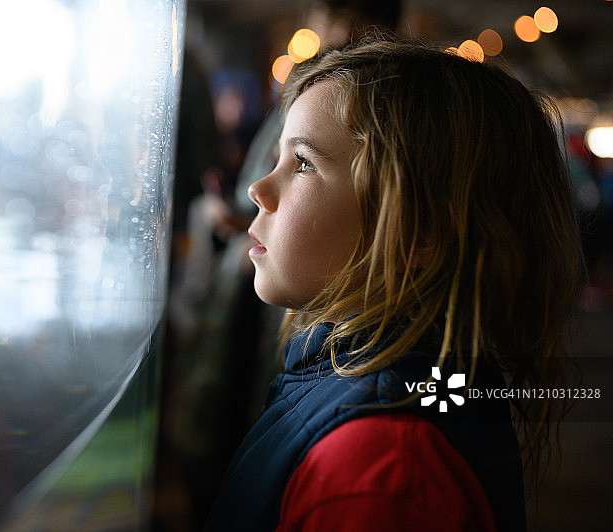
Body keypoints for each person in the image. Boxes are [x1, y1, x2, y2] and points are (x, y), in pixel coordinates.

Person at [206, 38, 583, 531]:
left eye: (302, 163)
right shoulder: (377, 393)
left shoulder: (381, 468)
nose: (258, 188)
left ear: (417, 230)